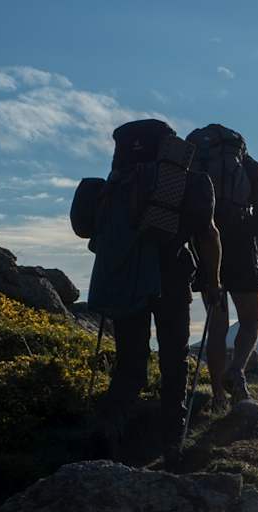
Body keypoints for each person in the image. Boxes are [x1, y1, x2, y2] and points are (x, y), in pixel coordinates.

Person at [78, 119, 222, 465]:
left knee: (130, 363)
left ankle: (110, 427)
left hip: (125, 279)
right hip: (172, 279)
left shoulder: (116, 183)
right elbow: (208, 236)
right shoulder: (188, 183)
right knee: (174, 359)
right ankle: (172, 439)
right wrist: (212, 281)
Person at [185, 124, 258, 407]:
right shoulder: (249, 165)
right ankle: (236, 372)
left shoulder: (196, 163)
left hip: (204, 240)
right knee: (251, 321)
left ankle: (218, 397)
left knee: (217, 325)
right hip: (240, 241)